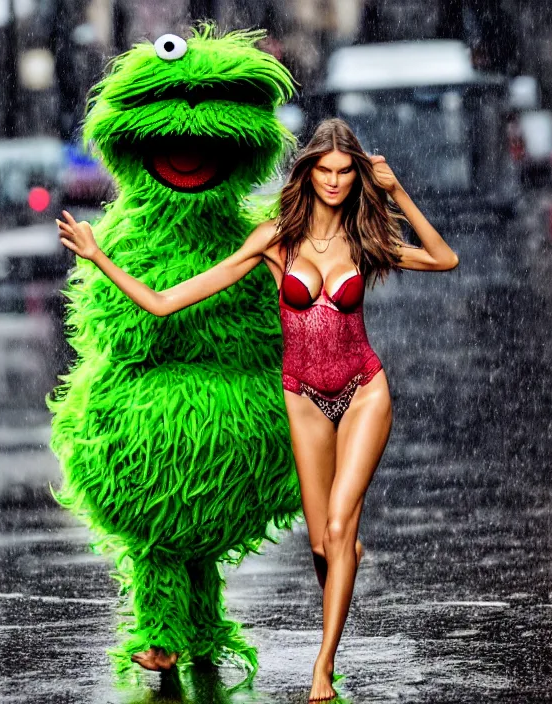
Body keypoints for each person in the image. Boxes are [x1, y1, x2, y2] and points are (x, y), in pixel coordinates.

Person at [56, 117, 458, 701]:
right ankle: (339, 551)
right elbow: (167, 303)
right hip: (303, 396)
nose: (336, 182)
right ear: (308, 173)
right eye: (325, 171)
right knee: (324, 544)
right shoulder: (274, 238)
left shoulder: (367, 240)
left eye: (347, 173)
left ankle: (323, 667)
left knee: (340, 527)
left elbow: (443, 259)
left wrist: (396, 192)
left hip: (364, 388)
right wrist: (99, 258)